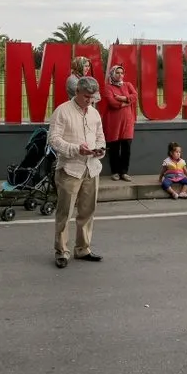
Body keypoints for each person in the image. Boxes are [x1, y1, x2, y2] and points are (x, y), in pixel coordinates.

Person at [48, 76, 107, 269]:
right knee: (64, 212)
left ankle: (83, 249)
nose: (90, 100)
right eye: (87, 96)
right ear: (77, 92)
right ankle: (61, 251)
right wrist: (75, 149)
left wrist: (100, 149)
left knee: (88, 211)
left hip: (92, 168)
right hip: (69, 170)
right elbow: (54, 140)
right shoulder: (62, 111)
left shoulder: (94, 113)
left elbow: (100, 136)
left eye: (92, 97)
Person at [101, 65, 138, 181]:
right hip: (113, 123)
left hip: (127, 122)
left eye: (122, 73)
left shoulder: (128, 85)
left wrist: (122, 98)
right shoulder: (108, 87)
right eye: (117, 73)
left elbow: (135, 96)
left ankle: (124, 172)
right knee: (114, 148)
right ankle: (115, 172)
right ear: (112, 74)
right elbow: (112, 103)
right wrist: (128, 101)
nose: (120, 75)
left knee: (126, 148)